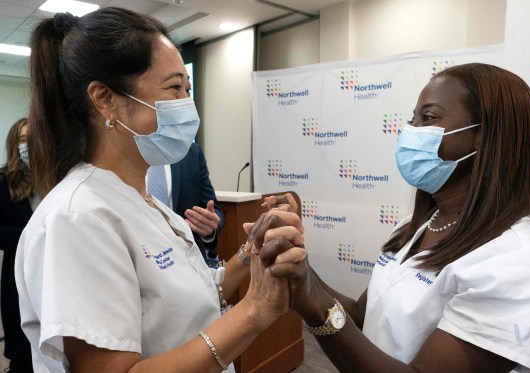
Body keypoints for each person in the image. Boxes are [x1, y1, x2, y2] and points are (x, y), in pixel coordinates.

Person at [15, 8, 305, 372]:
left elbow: (190, 296)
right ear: (105, 99)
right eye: (173, 88)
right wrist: (254, 311)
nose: (188, 104)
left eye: (188, 88)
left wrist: (251, 253)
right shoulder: (78, 218)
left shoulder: (145, 202)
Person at [250, 63, 530, 372]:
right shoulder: (419, 224)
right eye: (412, 119)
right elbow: (362, 315)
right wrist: (301, 272)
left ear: (484, 135)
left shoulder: (519, 258)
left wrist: (314, 304)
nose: (410, 131)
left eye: (428, 118)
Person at [147, 142, 225, 267]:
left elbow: (213, 208)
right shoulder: (119, 151)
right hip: (139, 258)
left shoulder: (191, 152)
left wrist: (209, 228)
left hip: (187, 261)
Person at [0, 118, 36, 372]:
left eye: (34, 140)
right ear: (14, 144)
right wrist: (33, 235)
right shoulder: (3, 181)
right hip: (17, 275)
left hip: (55, 273)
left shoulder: (57, 177)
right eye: (24, 140)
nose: (29, 146)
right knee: (23, 355)